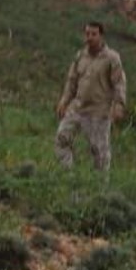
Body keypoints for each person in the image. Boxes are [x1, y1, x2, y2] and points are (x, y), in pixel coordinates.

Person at [55, 21, 127, 171]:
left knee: (99, 152)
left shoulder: (112, 58)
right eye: (87, 34)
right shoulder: (80, 56)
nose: (90, 37)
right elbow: (72, 81)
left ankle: (99, 188)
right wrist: (64, 100)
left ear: (101, 36)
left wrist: (119, 104)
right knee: (62, 139)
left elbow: (119, 82)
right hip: (78, 108)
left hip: (98, 112)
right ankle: (68, 176)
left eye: (94, 34)